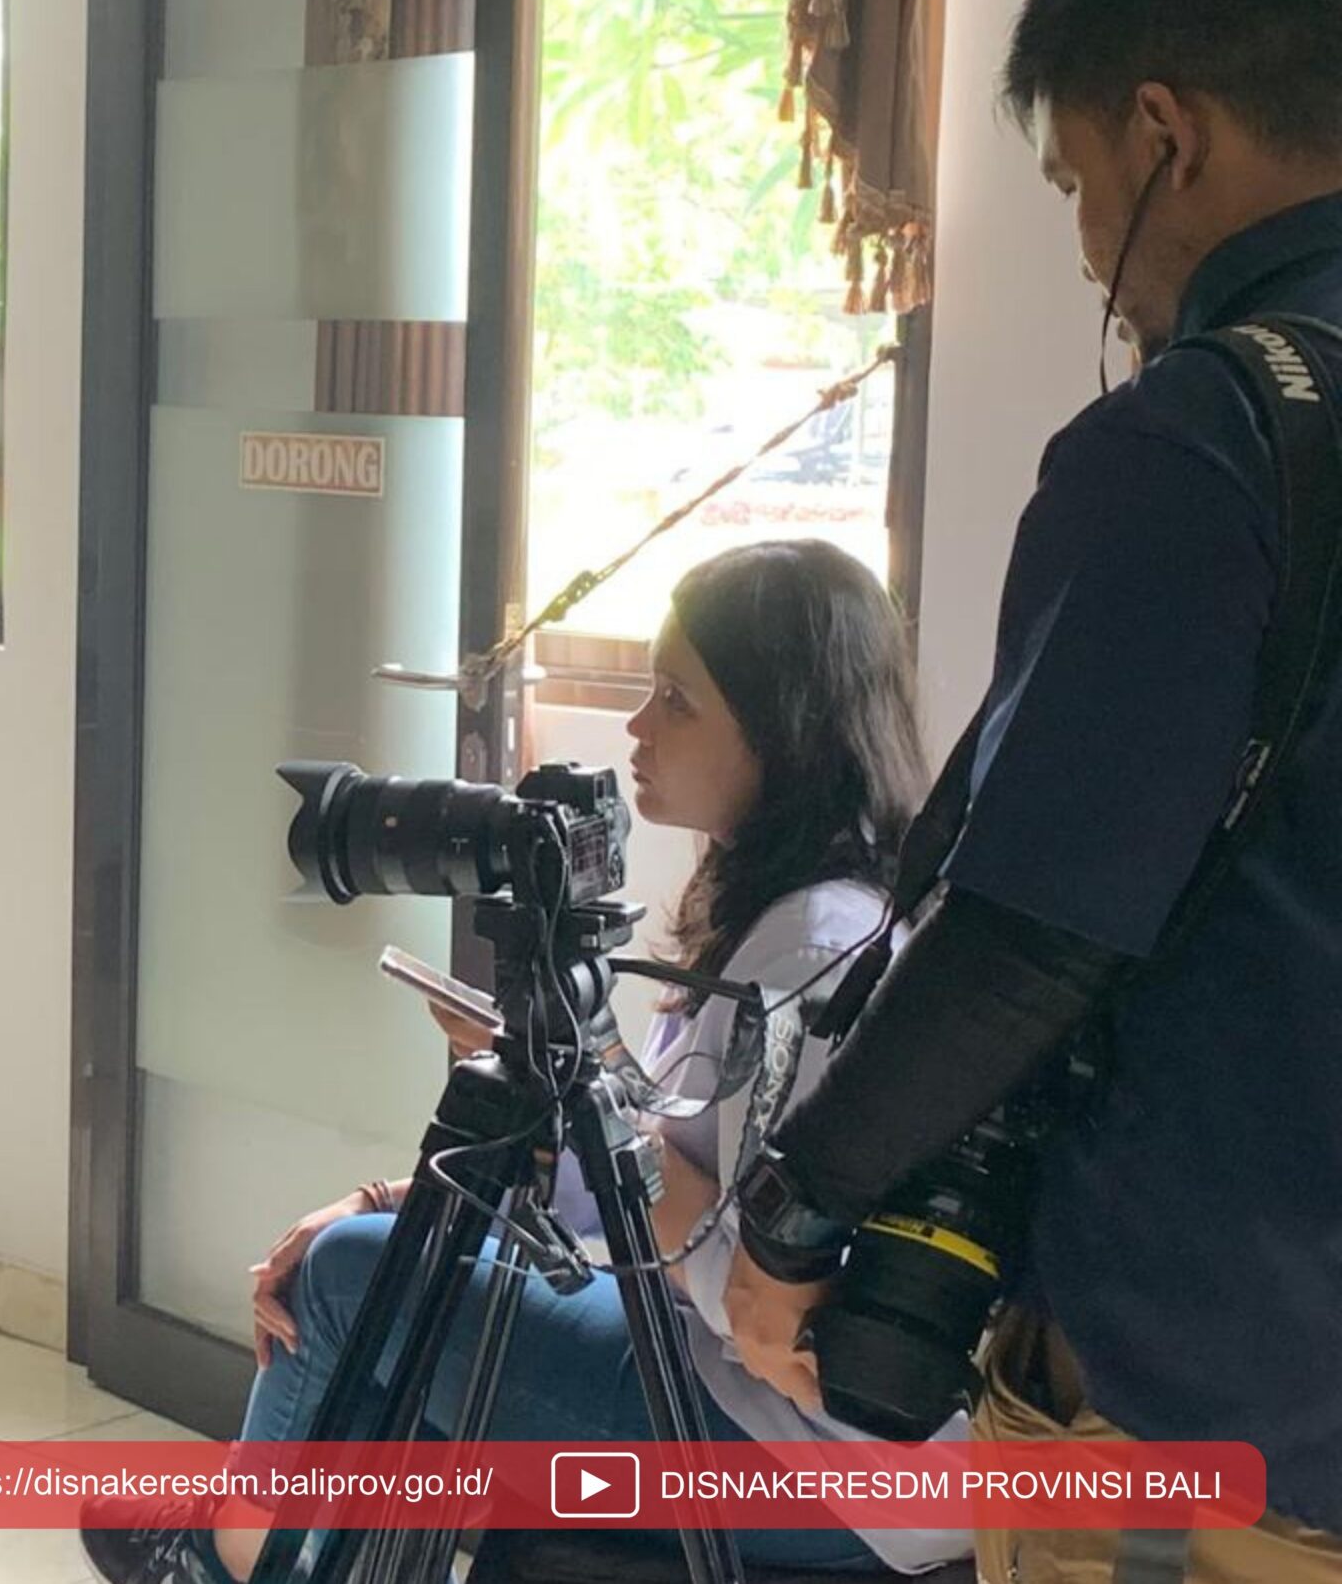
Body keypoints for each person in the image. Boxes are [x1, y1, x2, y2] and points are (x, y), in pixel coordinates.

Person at [727, 0, 1342, 1578]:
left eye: (1075, 182)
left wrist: (796, 1209)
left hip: (1211, 1387)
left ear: (1165, 132)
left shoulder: (1206, 439)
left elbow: (1033, 931)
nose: (1086, 251)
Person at [86, 540, 969, 1583]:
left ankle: (224, 1558)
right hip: (761, 1399)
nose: (637, 727)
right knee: (374, 1257)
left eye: (676, 701)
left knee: (346, 1283)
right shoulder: (814, 909)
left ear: (782, 729)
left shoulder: (811, 949)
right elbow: (631, 1201)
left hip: (813, 1460)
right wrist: (398, 1194)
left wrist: (584, 1101)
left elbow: (746, 1277)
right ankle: (266, 1541)